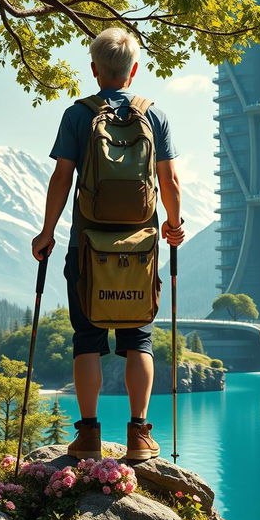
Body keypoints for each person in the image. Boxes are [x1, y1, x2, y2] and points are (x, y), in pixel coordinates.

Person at [32, 27, 184, 460]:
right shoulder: (154, 116)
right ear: (133, 71)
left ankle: (88, 436)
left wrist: (47, 232)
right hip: (141, 246)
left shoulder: (78, 116)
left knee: (87, 338)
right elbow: (169, 180)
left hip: (86, 245)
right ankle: (139, 435)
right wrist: (173, 225)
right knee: (139, 338)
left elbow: (62, 178)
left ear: (95, 70)